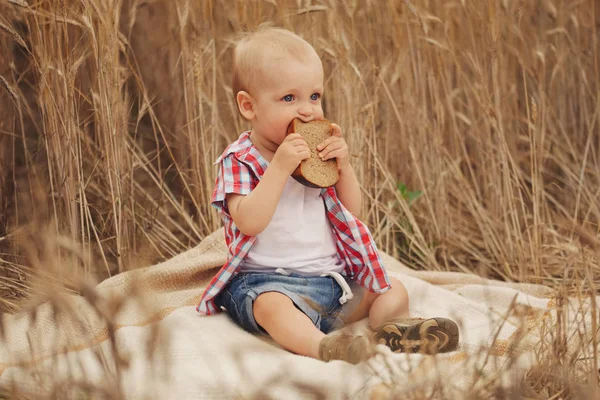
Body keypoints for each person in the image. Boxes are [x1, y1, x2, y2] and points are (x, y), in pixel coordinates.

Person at [196, 25, 459, 364]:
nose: (307, 110)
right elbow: (248, 221)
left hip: (332, 285)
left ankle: (395, 330)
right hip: (267, 283)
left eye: (314, 96)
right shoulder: (240, 159)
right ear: (249, 106)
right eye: (289, 98)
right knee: (271, 308)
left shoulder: (318, 156)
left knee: (391, 289)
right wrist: (278, 169)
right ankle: (321, 346)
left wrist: (344, 167)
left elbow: (353, 211)